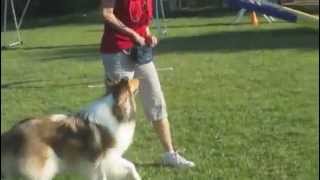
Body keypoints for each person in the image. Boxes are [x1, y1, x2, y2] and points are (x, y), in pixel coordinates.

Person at [100, 0, 194, 168]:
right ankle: (111, 159)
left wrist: (148, 35)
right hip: (117, 51)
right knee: (120, 109)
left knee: (156, 100)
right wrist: (131, 34)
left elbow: (144, 23)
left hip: (140, 51)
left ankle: (170, 154)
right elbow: (107, 14)